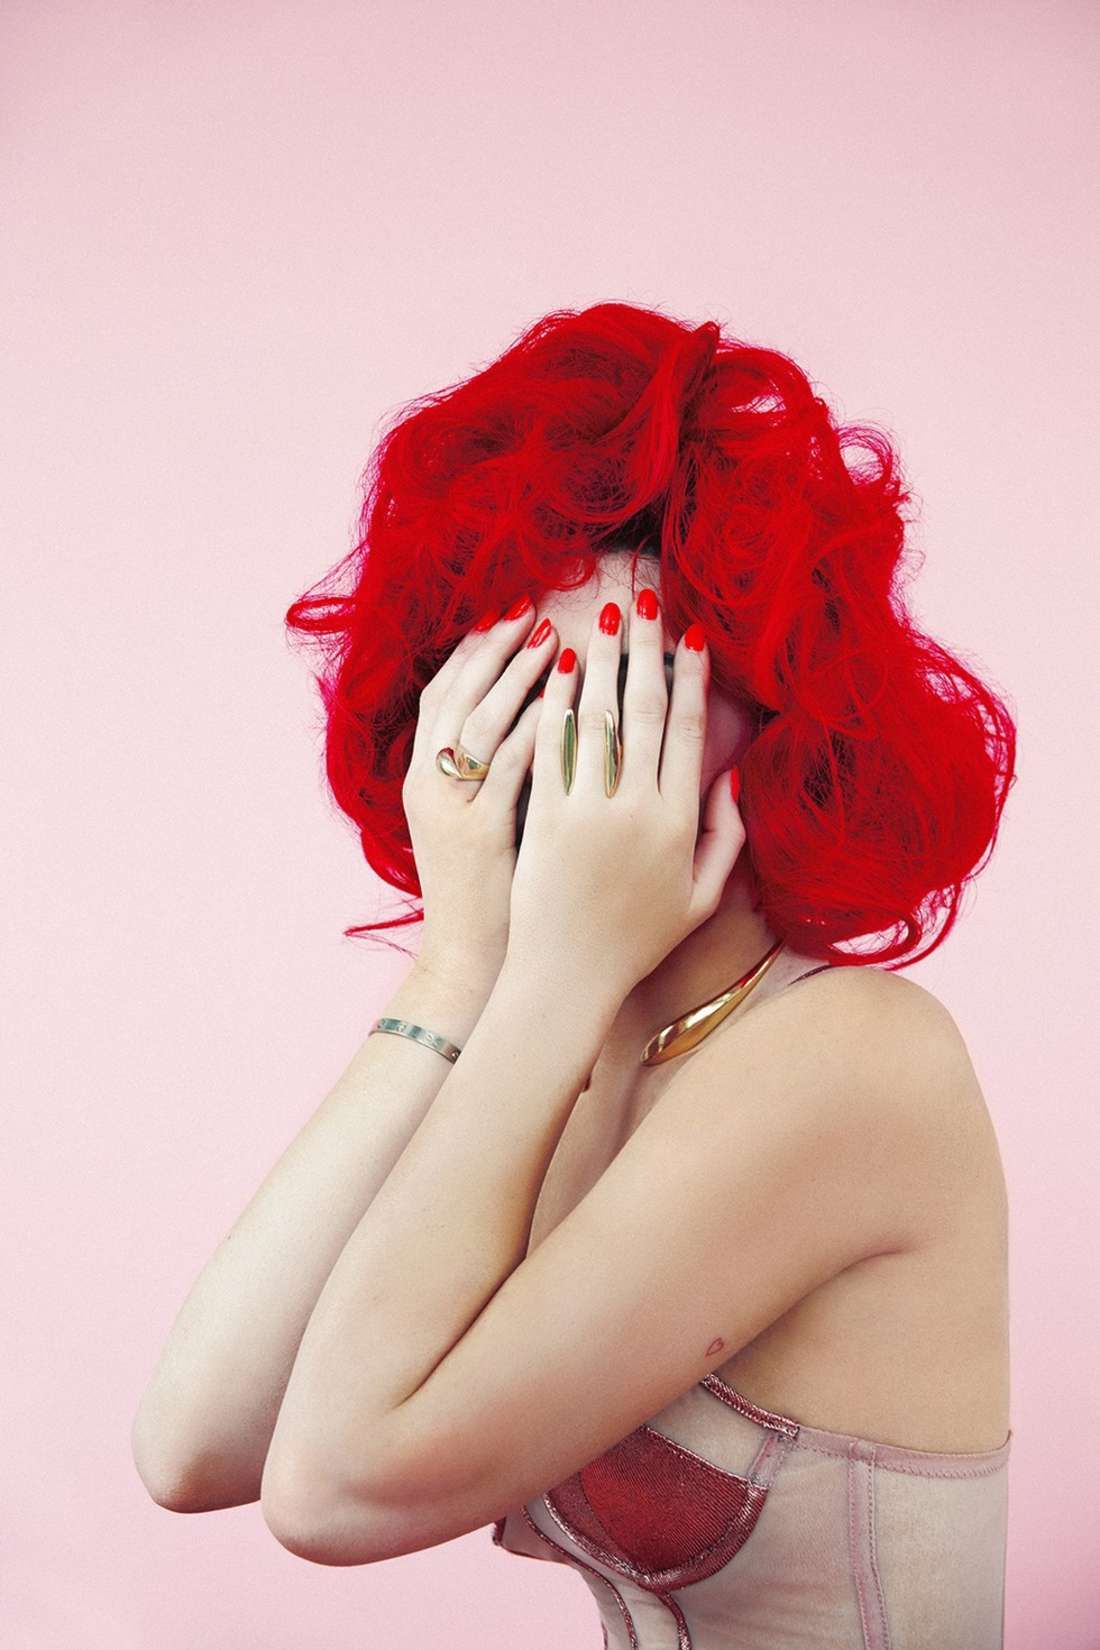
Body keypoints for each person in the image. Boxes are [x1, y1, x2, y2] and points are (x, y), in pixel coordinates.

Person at [132, 303, 1017, 1649]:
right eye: (519, 687)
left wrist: (546, 976)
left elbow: (334, 1488)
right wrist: (463, 961)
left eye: (633, 688)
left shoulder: (855, 1055)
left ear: (776, 700)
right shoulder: (578, 1044)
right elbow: (195, 1442)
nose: (574, 752)